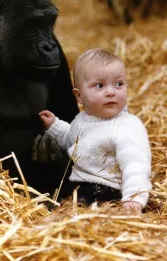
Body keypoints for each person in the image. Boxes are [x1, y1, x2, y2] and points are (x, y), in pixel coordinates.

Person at [39, 48, 152, 213]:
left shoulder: (127, 127)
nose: (111, 92)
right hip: (80, 187)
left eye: (118, 84)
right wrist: (54, 125)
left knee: (80, 213)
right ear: (79, 96)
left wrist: (134, 198)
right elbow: (73, 141)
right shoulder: (81, 121)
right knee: (54, 202)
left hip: (109, 192)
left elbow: (135, 165)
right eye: (99, 85)